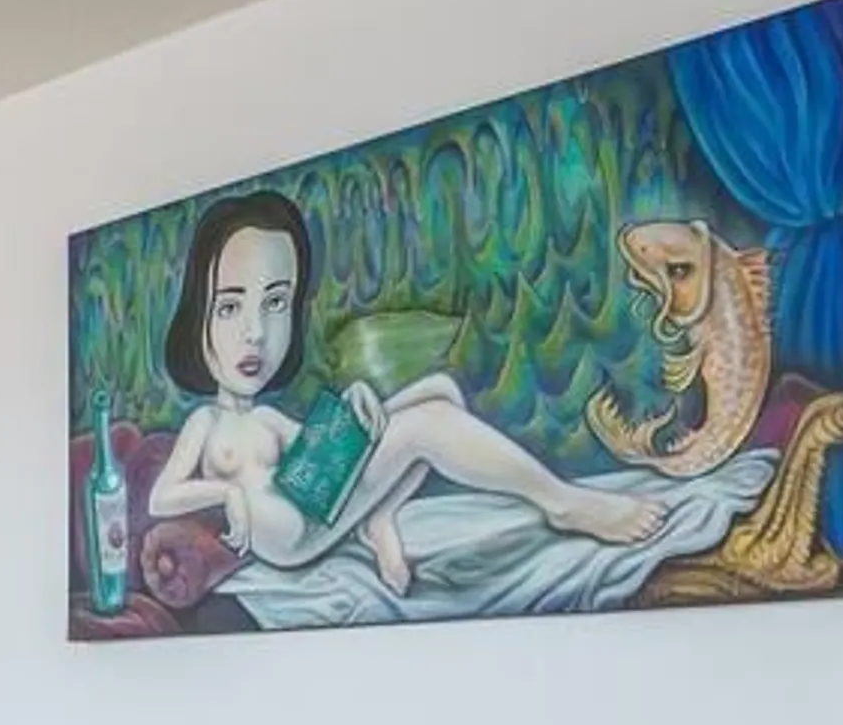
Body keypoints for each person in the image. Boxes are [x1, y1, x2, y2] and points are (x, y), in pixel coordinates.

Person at [141, 191, 661, 594]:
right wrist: (227, 493)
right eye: (230, 308)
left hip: (310, 502)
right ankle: (561, 501)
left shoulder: (269, 418)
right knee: (428, 424)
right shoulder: (205, 424)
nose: (255, 333)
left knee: (438, 391)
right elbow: (163, 497)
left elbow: (319, 455)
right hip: (290, 533)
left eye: (276, 304)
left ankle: (379, 517)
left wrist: (358, 405)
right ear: (198, 318)